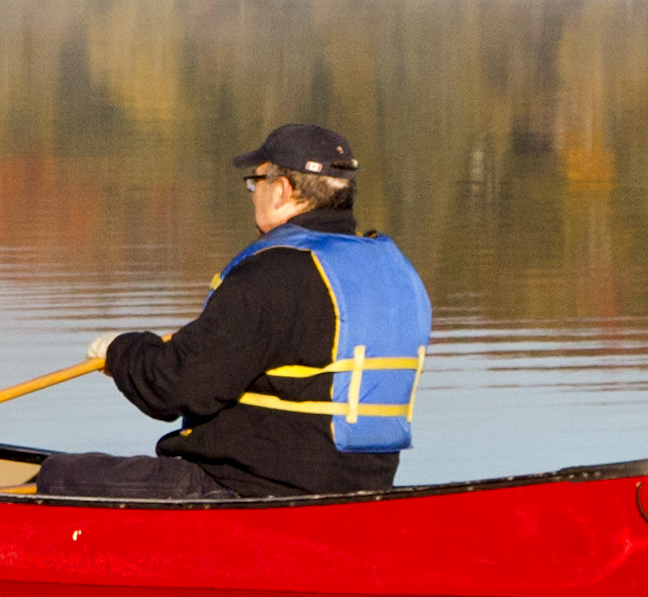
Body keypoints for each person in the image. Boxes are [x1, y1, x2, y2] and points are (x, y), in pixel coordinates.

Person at [30, 121, 429, 502]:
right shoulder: (395, 273)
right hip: (361, 491)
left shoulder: (274, 273)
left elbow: (177, 388)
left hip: (247, 490)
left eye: (256, 182)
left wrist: (121, 352)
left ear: (282, 190)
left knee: (60, 475)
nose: (253, 193)